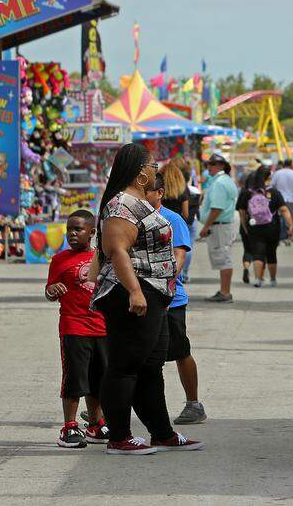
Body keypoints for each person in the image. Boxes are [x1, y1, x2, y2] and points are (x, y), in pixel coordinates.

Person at [92, 142, 202, 454]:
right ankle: (120, 437)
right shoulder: (121, 205)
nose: (157, 170)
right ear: (140, 173)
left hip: (156, 294)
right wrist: (136, 291)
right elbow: (117, 251)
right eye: (153, 166)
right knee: (125, 365)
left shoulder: (139, 202)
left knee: (150, 366)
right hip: (132, 294)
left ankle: (162, 433)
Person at [44, 209, 108, 448]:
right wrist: (53, 290)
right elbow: (49, 290)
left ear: (91, 232)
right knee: (74, 379)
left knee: (98, 379)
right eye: (69, 229)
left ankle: (96, 424)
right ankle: (69, 427)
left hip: (102, 328)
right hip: (74, 327)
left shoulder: (103, 257)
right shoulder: (59, 260)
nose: (72, 233)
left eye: (78, 229)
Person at [147, 174, 207, 425]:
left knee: (180, 351)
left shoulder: (173, 220)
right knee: (140, 355)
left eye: (147, 192)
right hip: (141, 296)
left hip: (170, 299)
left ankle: (194, 403)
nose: (141, 197)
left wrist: (167, 287)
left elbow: (178, 257)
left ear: (160, 193)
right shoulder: (131, 218)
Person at [240, 165, 293, 287]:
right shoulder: (273, 192)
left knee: (257, 253)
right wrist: (290, 225)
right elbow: (284, 210)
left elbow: (242, 212)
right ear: (269, 177)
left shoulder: (248, 193)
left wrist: (245, 226)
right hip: (272, 226)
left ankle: (258, 279)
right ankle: (273, 280)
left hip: (254, 226)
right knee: (271, 253)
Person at [199, 152, 239, 303]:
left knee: (224, 257)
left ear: (221, 166)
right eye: (208, 164)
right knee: (224, 255)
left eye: (212, 164)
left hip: (220, 225)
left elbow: (217, 207)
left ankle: (225, 292)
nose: (209, 167)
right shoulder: (224, 180)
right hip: (223, 224)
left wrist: (206, 226)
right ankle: (224, 290)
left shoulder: (220, 183)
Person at [271, 159, 293, 241]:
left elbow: (272, 185)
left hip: (279, 199)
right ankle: (290, 234)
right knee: (292, 217)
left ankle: (282, 234)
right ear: (291, 164)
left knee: (280, 216)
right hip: (292, 199)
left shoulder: (277, 173)